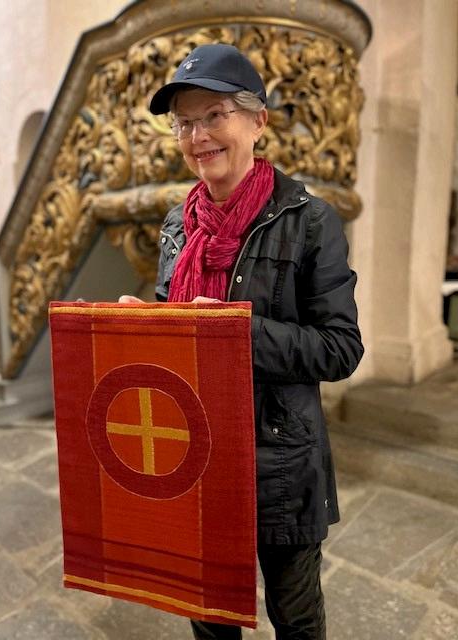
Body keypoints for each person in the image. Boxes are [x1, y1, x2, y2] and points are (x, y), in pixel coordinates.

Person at [121, 43, 363, 640]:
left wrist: (236, 332)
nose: (197, 135)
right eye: (184, 123)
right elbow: (175, 328)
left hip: (279, 462)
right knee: (208, 615)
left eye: (214, 115)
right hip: (193, 456)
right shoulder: (178, 225)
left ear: (258, 121)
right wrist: (143, 330)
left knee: (295, 617)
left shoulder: (310, 221)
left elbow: (340, 348)